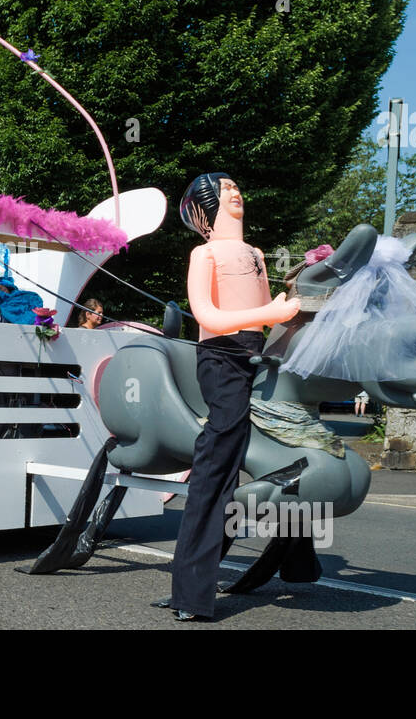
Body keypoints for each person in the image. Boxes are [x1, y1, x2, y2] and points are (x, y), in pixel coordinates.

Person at [153, 172, 300, 623]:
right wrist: (271, 312)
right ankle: (190, 593)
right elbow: (208, 315)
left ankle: (297, 556)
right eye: (224, 188)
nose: (235, 192)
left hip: (260, 357)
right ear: (206, 203)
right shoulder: (205, 253)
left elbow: (268, 320)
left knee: (296, 447)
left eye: (237, 186)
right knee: (220, 462)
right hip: (223, 360)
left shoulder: (255, 253)